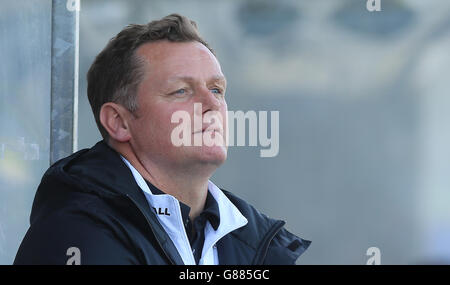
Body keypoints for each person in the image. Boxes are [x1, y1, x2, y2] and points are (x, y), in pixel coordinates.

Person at [14, 14, 310, 265]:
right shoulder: (73, 232)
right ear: (119, 122)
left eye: (217, 90)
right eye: (181, 90)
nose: (211, 104)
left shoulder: (256, 239)